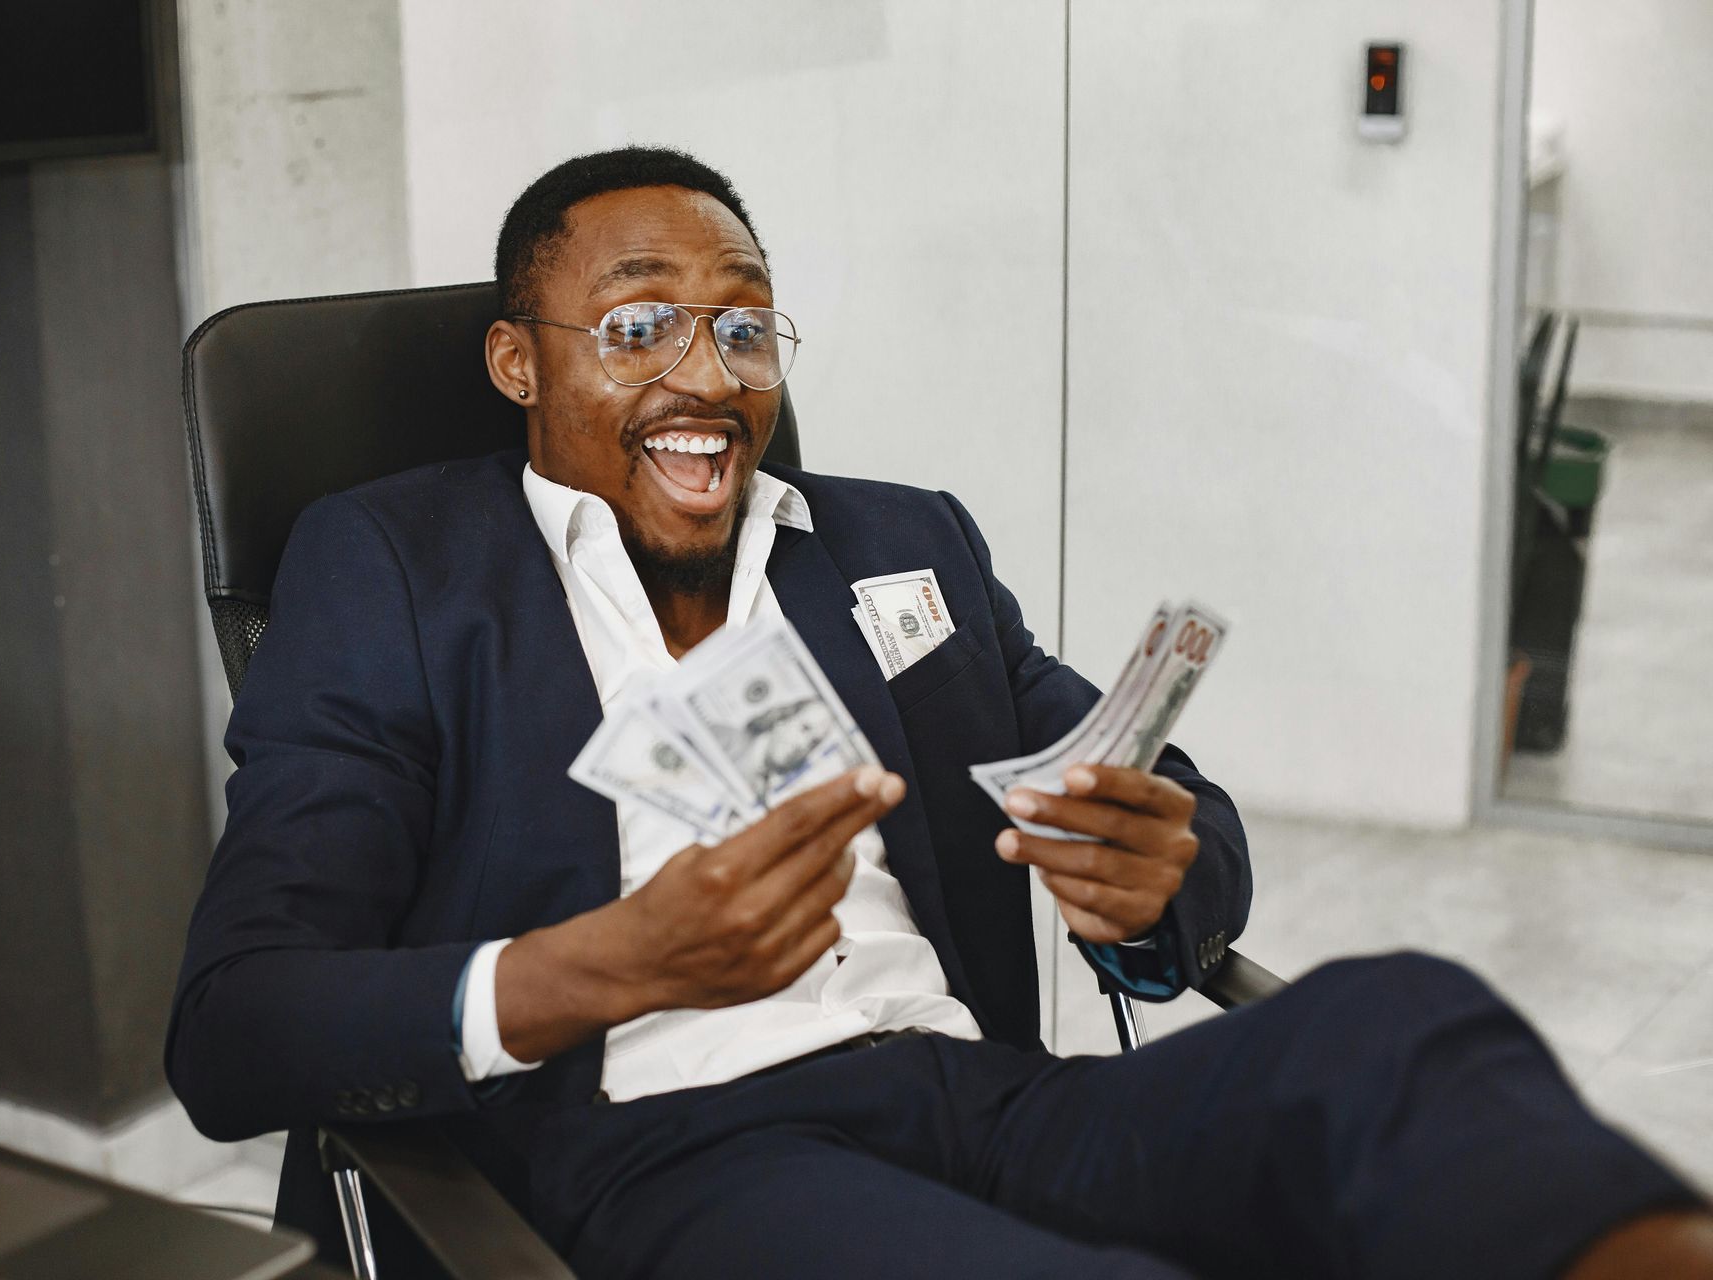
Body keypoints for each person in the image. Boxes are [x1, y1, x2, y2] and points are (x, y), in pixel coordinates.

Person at [166, 147, 1711, 1279]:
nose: (706, 372)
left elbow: (1122, 774)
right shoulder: (393, 566)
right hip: (671, 1147)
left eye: (746, 324)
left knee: (1405, 1025)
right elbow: (235, 1026)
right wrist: (598, 966)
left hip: (976, 1091)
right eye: (638, 326)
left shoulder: (901, 544)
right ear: (519, 361)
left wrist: (1160, 875)